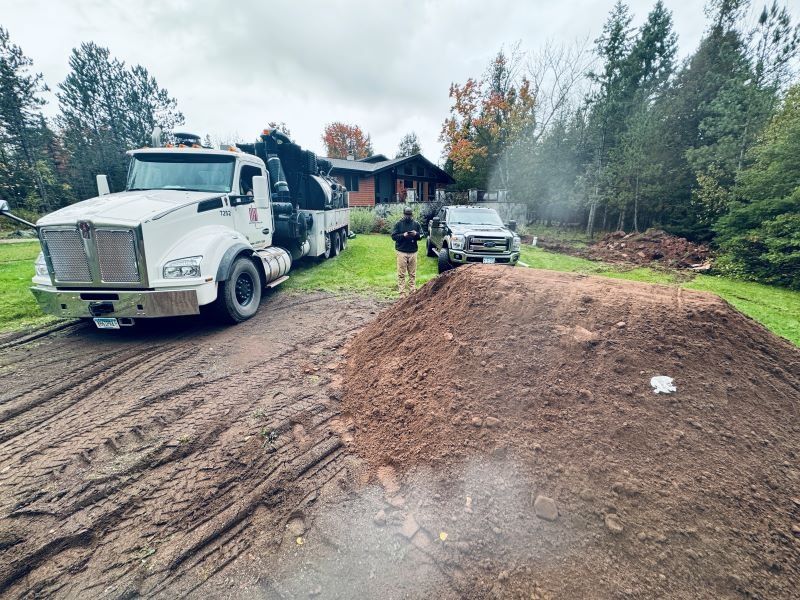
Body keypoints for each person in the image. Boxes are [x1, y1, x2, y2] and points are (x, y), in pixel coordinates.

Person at [391, 206, 425, 297]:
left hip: (413, 251)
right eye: (406, 215)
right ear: (404, 214)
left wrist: (416, 234)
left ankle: (412, 291)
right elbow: (393, 236)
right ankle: (402, 293)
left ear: (412, 215)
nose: (408, 216)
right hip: (401, 251)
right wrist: (403, 235)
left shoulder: (416, 224)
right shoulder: (398, 224)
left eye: (409, 215)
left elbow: (422, 235)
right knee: (401, 274)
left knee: (412, 274)